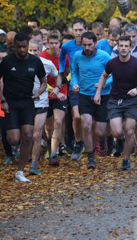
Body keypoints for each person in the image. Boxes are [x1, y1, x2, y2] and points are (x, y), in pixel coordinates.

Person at [0, 32, 47, 183]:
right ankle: (16, 149)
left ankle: (20, 171)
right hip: (10, 103)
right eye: (19, 47)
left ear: (28, 46)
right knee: (14, 139)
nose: (22, 50)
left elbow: (44, 82)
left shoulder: (35, 62)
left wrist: (38, 93)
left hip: (27, 102)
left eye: (25, 47)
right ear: (14, 46)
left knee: (28, 136)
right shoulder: (7, 61)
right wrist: (2, 99)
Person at [94, 35, 137, 171]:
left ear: (130, 47)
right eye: (121, 46)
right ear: (117, 47)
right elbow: (104, 76)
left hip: (132, 100)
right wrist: (98, 92)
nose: (123, 48)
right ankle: (121, 140)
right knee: (117, 132)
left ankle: (126, 159)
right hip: (115, 100)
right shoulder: (112, 63)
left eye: (126, 46)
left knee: (129, 131)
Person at [70, 32, 111, 169]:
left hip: (103, 95)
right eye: (84, 45)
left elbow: (113, 75)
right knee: (86, 125)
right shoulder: (77, 56)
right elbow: (74, 72)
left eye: (89, 45)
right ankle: (90, 157)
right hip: (84, 94)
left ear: (95, 43)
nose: (87, 47)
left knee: (100, 131)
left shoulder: (104, 56)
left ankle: (103, 140)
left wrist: (102, 85)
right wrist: (75, 83)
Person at [112, 23, 137, 159]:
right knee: (127, 120)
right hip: (122, 89)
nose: (132, 39)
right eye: (128, 36)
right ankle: (127, 140)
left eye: (134, 36)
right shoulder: (116, 50)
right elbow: (112, 69)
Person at [27, 39, 58, 174]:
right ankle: (27, 156)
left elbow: (58, 76)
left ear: (40, 50)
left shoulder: (47, 63)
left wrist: (57, 88)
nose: (33, 53)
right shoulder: (20, 64)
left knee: (37, 134)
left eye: (35, 50)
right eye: (30, 50)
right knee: (27, 134)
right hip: (25, 103)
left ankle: (33, 164)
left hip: (41, 102)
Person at [59, 18, 88, 161]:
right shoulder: (67, 46)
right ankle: (78, 142)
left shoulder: (92, 45)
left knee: (89, 119)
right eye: (76, 30)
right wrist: (61, 72)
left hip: (90, 86)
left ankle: (93, 145)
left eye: (81, 30)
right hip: (74, 87)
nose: (78, 33)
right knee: (76, 116)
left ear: (86, 30)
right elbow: (61, 56)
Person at [39, 30, 69, 166]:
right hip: (46, 93)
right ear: (47, 43)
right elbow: (40, 80)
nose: (54, 46)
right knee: (49, 126)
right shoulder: (42, 57)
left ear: (60, 43)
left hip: (61, 93)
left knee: (58, 121)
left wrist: (61, 85)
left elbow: (70, 73)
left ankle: (53, 153)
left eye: (56, 43)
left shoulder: (64, 55)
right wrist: (52, 89)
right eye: (51, 43)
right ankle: (49, 144)